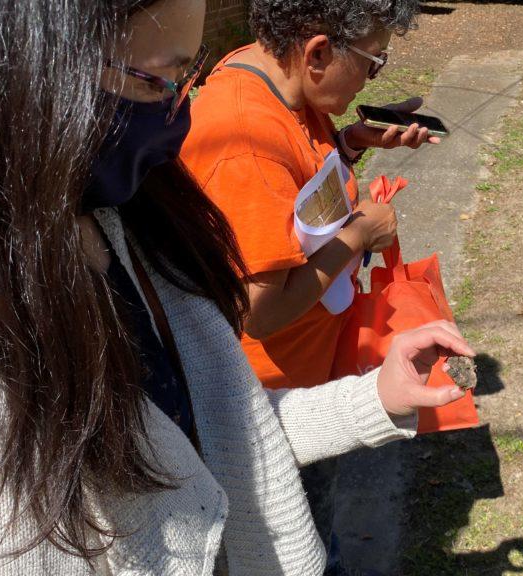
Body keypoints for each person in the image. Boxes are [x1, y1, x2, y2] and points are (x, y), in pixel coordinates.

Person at [0, 1, 472, 574]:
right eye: (159, 81)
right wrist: (355, 237)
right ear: (34, 68)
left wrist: (374, 398)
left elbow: (214, 428)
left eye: (188, 76)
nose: (180, 118)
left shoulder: (120, 217)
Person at [180, 1, 439, 568]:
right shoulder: (247, 145)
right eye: (374, 61)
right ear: (318, 51)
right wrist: (359, 234)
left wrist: (351, 145)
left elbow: (298, 198)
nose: (375, 76)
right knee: (300, 542)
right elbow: (258, 309)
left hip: (309, 372)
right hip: (277, 406)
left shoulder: (276, 79)